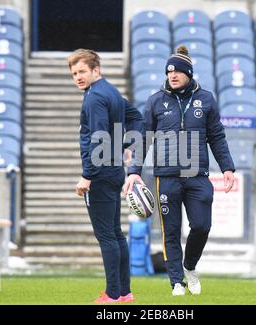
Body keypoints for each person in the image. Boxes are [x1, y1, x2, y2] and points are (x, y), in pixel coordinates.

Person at [124, 45, 235, 296]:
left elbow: (217, 137)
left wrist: (227, 167)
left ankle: (190, 266)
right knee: (170, 231)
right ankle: (176, 282)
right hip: (167, 176)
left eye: (177, 72)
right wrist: (134, 171)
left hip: (197, 176)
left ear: (189, 73)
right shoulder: (155, 101)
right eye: (169, 72)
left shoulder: (205, 99)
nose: (172, 76)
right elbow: (142, 138)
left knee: (201, 226)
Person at [67, 49, 144, 303]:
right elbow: (136, 118)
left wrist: (87, 175)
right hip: (114, 172)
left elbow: (98, 137)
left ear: (95, 70)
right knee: (116, 233)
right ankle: (124, 292)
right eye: (74, 73)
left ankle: (112, 295)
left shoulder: (95, 97)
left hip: (99, 175)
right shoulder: (110, 91)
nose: (77, 77)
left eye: (82, 72)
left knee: (107, 236)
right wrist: (125, 146)